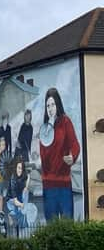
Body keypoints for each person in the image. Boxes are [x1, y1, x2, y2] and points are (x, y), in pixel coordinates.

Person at [39, 88, 80, 220]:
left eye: (52, 104)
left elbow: (75, 144)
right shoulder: (44, 129)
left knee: (67, 224)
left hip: (64, 183)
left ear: (58, 105)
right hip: (49, 185)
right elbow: (44, 157)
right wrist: (49, 127)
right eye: (47, 106)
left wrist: (72, 157)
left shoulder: (65, 122)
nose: (50, 108)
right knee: (51, 225)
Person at [6, 158, 30, 227]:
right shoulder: (13, 180)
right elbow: (15, 201)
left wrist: (26, 187)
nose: (20, 170)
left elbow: (28, 176)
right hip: (11, 199)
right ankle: (10, 215)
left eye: (22, 169)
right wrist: (23, 205)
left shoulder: (24, 174)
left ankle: (23, 223)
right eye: (19, 168)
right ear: (16, 168)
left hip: (19, 196)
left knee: (26, 192)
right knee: (20, 211)